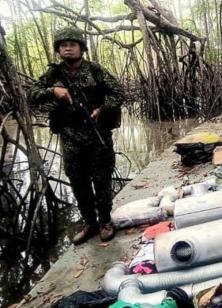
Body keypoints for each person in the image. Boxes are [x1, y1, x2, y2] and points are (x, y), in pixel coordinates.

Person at [28, 27, 125, 244]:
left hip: (96, 134)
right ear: (58, 50)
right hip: (70, 137)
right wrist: (53, 91)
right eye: (63, 45)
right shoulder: (53, 74)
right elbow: (31, 95)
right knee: (78, 181)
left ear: (81, 48)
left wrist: (102, 109)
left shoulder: (96, 70)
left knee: (101, 180)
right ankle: (89, 223)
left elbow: (119, 93)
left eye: (72, 44)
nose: (68, 48)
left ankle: (105, 222)